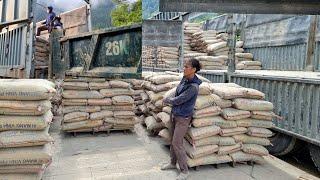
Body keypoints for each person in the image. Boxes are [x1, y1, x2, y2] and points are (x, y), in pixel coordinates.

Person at [161, 58, 202, 180]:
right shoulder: (184, 79)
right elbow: (177, 93)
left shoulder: (193, 87)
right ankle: (173, 163)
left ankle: (184, 171)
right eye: (184, 66)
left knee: (177, 143)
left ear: (194, 69)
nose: (184, 68)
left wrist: (167, 100)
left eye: (187, 66)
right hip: (175, 114)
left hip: (183, 117)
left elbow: (180, 99)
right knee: (172, 140)